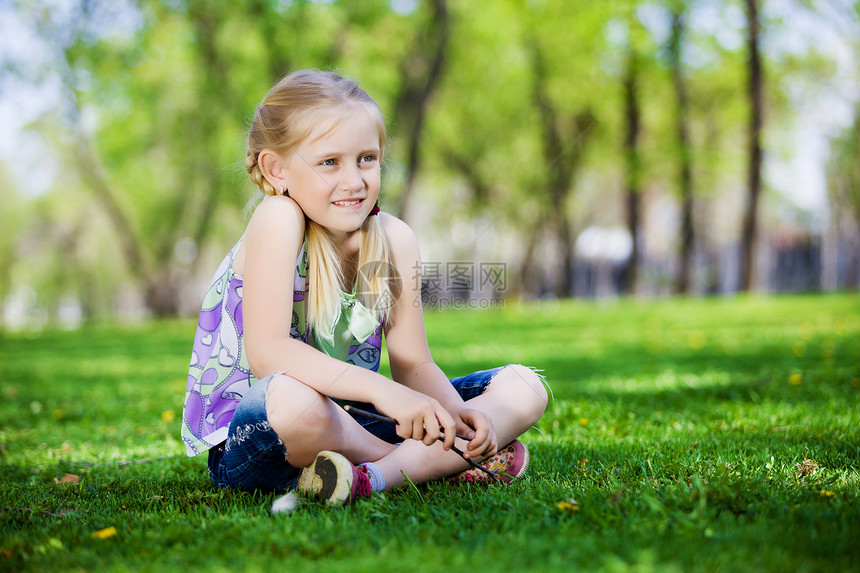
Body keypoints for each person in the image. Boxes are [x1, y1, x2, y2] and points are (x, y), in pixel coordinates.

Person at [181, 70, 548, 505]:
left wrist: (455, 414)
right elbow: (269, 354)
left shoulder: (394, 239)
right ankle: (430, 466)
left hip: (358, 417)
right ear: (276, 169)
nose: (354, 180)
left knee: (524, 386)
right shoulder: (278, 219)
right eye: (329, 162)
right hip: (266, 431)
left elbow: (413, 365)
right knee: (293, 401)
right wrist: (386, 393)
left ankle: (372, 477)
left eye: (366, 159)